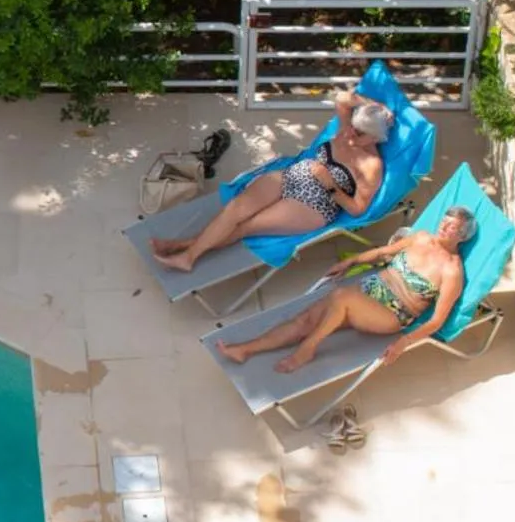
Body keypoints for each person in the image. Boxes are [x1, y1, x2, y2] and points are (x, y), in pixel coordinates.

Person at [151, 88, 394, 273]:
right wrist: (374, 105)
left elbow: (357, 209)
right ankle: (187, 246)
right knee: (235, 210)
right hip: (293, 175)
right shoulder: (345, 130)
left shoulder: (372, 165)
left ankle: (187, 255)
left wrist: (330, 183)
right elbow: (342, 98)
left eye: (360, 133)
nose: (351, 134)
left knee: (248, 225)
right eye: (353, 126)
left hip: (315, 204)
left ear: (375, 136)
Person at [215, 206, 473, 373]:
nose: (443, 227)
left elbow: (438, 320)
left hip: (393, 313)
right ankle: (245, 349)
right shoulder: (421, 238)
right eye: (444, 220)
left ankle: (308, 349)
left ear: (461, 236)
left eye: (451, 227)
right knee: (305, 319)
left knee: (341, 296)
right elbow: (383, 252)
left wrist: (403, 343)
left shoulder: (452, 271)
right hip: (371, 290)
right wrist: (352, 261)